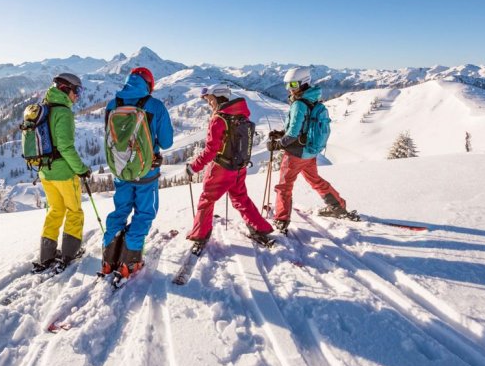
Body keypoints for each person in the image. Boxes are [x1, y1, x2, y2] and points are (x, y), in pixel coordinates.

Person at [101, 67, 174, 278]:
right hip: (146, 171)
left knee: (120, 210)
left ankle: (108, 259)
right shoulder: (155, 106)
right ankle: (129, 263)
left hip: (121, 170)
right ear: (149, 85)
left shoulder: (113, 104)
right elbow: (167, 142)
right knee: (144, 213)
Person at [186, 84, 273, 249]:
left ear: (217, 98)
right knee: (241, 198)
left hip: (221, 168)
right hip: (240, 167)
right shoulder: (241, 115)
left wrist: (193, 167)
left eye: (210, 99)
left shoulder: (219, 119)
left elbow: (211, 150)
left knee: (207, 199)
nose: (209, 103)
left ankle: (200, 235)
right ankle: (259, 229)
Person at [268, 66, 348, 234]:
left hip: (295, 154)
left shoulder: (298, 104)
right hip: (309, 151)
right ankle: (338, 206)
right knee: (315, 180)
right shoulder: (312, 99)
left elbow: (294, 133)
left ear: (304, 83)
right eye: (287, 85)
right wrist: (281, 134)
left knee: (284, 186)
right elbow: (301, 127)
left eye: (294, 84)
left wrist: (278, 144)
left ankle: (281, 220)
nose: (290, 89)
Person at [34, 73, 91, 272]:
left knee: (55, 211)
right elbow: (66, 147)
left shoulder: (45, 108)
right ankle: (69, 253)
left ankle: (46, 255)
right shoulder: (64, 113)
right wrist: (81, 169)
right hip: (64, 173)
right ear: (67, 90)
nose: (78, 96)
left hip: (45, 172)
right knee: (74, 211)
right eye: (78, 91)